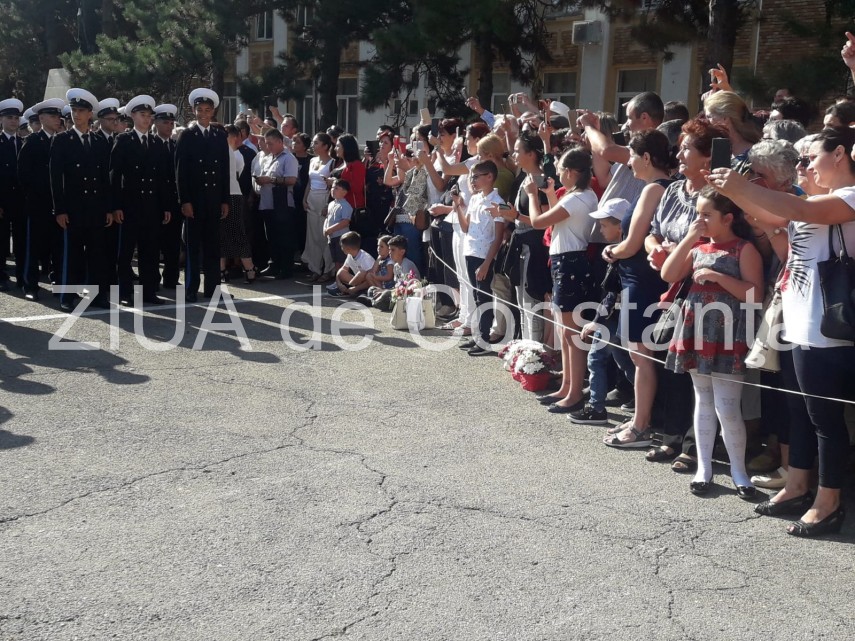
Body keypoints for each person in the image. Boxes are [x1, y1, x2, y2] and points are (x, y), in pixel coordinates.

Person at [708, 126, 855, 537]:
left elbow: (796, 211)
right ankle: (798, 485)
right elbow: (772, 215)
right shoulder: (815, 199)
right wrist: (731, 187)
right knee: (803, 414)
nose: (804, 167)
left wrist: (742, 186)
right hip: (800, 324)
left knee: (826, 420)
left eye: (810, 159)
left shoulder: (848, 198)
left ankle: (829, 503)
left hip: (830, 329)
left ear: (840, 154)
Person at [660, 186, 763, 498]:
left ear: (728, 218)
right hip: (696, 330)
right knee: (703, 400)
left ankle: (738, 471)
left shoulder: (744, 248)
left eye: (707, 214)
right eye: (698, 213)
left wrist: (718, 277)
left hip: (729, 333)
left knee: (728, 407)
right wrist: (691, 238)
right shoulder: (698, 246)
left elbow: (756, 294)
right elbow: (669, 273)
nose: (700, 219)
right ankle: (703, 467)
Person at [644, 117, 729, 471]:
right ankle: (671, 434)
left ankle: (696, 446)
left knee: (700, 366)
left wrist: (678, 253)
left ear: (707, 157)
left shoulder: (719, 195)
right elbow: (652, 231)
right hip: (671, 284)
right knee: (670, 361)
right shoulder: (674, 191)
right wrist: (654, 249)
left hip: (704, 287)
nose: (679, 154)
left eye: (687, 149)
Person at [598, 130, 674, 444]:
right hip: (643, 278)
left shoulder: (654, 189)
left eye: (631, 155)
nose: (628, 162)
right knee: (641, 355)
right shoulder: (662, 186)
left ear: (646, 157)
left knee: (641, 355)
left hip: (641, 281)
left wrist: (611, 251)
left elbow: (632, 242)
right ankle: (641, 418)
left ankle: (641, 425)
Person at [527, 147, 598, 412]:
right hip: (568, 260)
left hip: (570, 261)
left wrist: (533, 196)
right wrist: (546, 194)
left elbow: (538, 221)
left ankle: (574, 391)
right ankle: (567, 387)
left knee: (570, 333)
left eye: (560, 170)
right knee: (564, 331)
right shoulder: (581, 196)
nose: (558, 175)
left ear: (570, 172)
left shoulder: (576, 198)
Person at [572, 199, 636, 431]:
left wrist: (595, 322)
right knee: (627, 364)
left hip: (615, 317)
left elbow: (612, 293)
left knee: (598, 360)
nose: (600, 229)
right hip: (618, 317)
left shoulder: (622, 253)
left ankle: (596, 407)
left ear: (619, 226)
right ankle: (648, 405)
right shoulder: (623, 249)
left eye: (604, 225)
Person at [50, 88, 113, 310]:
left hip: (95, 207)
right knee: (72, 253)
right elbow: (56, 178)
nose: (76, 115)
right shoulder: (62, 140)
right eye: (74, 110)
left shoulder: (99, 141)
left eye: (81, 111)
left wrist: (108, 208)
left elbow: (106, 178)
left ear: (90, 114)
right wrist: (59, 210)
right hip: (73, 208)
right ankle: (67, 297)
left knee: (97, 253)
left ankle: (98, 295)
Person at [110, 94, 171, 306]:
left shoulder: (156, 143)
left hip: (152, 205)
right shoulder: (124, 140)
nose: (146, 119)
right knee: (126, 252)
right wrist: (116, 205)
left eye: (149, 115)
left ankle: (149, 292)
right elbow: (115, 175)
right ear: (132, 116)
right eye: (142, 115)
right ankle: (125, 292)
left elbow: (163, 178)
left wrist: (165, 206)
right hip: (130, 205)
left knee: (150, 250)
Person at [175, 88, 230, 302]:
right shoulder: (187, 136)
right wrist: (184, 200)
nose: (203, 114)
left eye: (207, 110)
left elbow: (224, 170)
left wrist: (225, 199)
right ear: (193, 110)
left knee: (213, 247)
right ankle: (191, 289)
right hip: (195, 200)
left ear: (213, 111)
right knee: (192, 247)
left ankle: (213, 289)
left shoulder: (219, 135)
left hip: (214, 198)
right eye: (199, 110)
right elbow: (181, 171)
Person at [452, 160, 507, 356]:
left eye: (476, 176)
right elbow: (466, 227)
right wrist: (458, 206)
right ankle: (477, 335)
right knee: (475, 294)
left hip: (484, 255)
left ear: (489, 177)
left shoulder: (497, 201)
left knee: (484, 296)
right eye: (471, 176)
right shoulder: (475, 199)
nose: (472, 181)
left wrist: (487, 263)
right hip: (470, 250)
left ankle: (484, 339)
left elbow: (498, 237)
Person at [17, 98, 65, 301]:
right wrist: (33, 198)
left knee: (59, 247)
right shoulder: (34, 141)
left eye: (58, 116)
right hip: (38, 204)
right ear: (42, 118)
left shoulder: (63, 141)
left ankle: (60, 283)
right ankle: (30, 285)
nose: (57, 120)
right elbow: (23, 175)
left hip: (59, 205)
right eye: (53, 116)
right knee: (34, 247)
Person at [253, 128, 298, 280]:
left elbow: (292, 180)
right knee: (271, 237)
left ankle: (286, 268)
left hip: (282, 204)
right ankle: (275, 265)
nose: (268, 147)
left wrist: (270, 180)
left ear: (280, 142)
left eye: (271, 144)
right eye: (266, 144)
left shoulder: (288, 158)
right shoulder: (268, 158)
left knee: (284, 236)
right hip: (267, 203)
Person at [219, 125, 256, 283]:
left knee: (237, 232)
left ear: (234, 137)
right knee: (220, 234)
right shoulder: (221, 152)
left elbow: (237, 174)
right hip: (221, 196)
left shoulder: (237, 155)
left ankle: (249, 267)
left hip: (234, 195)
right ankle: (221, 269)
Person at [152, 103, 182, 289]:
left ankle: (171, 277)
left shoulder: (175, 145)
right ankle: (152, 278)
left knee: (173, 243)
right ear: (156, 123)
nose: (169, 126)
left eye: (172, 123)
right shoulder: (150, 144)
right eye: (165, 122)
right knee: (154, 244)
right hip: (154, 202)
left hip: (174, 202)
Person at [301, 132, 335, 282]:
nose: (313, 146)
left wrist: (328, 203)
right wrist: (304, 198)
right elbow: (309, 181)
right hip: (311, 198)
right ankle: (315, 268)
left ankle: (328, 269)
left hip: (324, 198)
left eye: (316, 143)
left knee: (324, 235)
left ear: (326, 146)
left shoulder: (333, 162)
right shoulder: (312, 160)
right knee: (312, 235)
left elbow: (331, 185)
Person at [0, 98, 25, 293]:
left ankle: (22, 275)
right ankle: (1, 275)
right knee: (1, 240)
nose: (14, 121)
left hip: (20, 200)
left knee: (21, 239)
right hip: (3, 200)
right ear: (1, 120)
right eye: (9, 118)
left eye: (16, 118)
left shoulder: (23, 143)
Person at [703, 91, 761, 173]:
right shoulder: (713, 150)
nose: (706, 122)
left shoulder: (756, 156)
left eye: (709, 117)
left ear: (725, 119)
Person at [323, 178, 354, 282]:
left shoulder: (345, 205)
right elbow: (328, 218)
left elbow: (345, 222)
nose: (333, 190)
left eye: (336, 188)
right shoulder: (332, 204)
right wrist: (325, 229)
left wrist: (330, 229)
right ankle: (338, 281)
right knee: (336, 260)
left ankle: (344, 281)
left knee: (342, 260)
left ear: (344, 192)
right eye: (332, 187)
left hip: (341, 237)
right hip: (332, 237)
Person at [330, 231, 375, 297]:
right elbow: (341, 270)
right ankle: (348, 290)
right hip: (358, 283)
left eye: (342, 246)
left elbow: (371, 279)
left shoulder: (365, 258)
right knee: (341, 272)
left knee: (362, 273)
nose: (341, 248)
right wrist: (339, 284)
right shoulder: (350, 255)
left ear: (348, 248)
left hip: (370, 283)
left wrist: (356, 288)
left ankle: (355, 290)